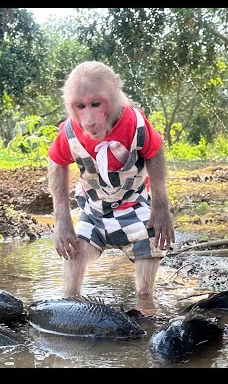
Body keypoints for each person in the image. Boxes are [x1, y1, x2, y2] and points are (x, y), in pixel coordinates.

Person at [47, 61, 174, 308]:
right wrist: (61, 218)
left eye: (96, 104)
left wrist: (161, 204)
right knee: (73, 250)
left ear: (116, 92)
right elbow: (56, 163)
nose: (90, 120)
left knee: (151, 243)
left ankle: (145, 306)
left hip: (132, 204)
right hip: (94, 209)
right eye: (80, 106)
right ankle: (69, 306)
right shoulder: (70, 130)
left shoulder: (134, 123)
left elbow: (154, 152)